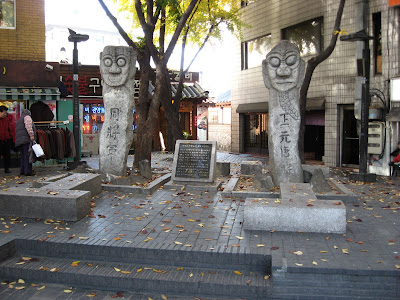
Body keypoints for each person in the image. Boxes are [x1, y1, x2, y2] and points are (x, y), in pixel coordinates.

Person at [15, 109, 36, 176]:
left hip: (20, 140)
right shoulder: (27, 117)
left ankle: (22, 170)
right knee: (27, 155)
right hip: (25, 139)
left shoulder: (20, 119)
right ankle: (27, 171)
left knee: (23, 155)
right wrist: (31, 135)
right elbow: (28, 127)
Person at [0, 105, 13, 173]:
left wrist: (10, 136)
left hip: (6, 140)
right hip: (0, 140)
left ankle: (7, 168)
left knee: (7, 155)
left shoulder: (6, 120)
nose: (5, 114)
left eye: (5, 113)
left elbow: (9, 129)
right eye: (4, 113)